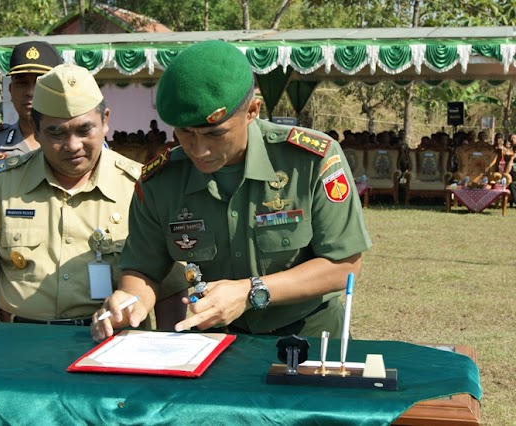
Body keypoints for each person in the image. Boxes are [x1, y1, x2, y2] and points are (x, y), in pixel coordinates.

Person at [91, 40, 372, 343]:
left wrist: (250, 291)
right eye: (185, 133)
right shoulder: (161, 182)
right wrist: (129, 302)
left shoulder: (311, 161)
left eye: (215, 134)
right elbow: (143, 269)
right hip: (218, 341)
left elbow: (344, 266)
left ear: (252, 110)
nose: (199, 149)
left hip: (311, 336)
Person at [0, 64, 185, 327]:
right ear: (36, 131)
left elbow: (171, 288)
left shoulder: (141, 187)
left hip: (113, 345)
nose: (73, 146)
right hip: (21, 345)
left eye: (85, 130)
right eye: (56, 133)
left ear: (105, 120)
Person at [0, 40, 63, 208]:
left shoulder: (78, 143)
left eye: (40, 82)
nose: (30, 92)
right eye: (22, 83)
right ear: (11, 91)